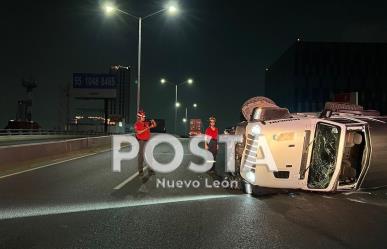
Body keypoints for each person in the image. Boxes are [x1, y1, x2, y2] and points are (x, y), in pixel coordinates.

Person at [134, 110, 156, 176]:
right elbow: (139, 132)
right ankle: (140, 171)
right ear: (139, 117)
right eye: (143, 116)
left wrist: (153, 121)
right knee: (141, 157)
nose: (144, 117)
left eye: (144, 116)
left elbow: (154, 125)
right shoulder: (136, 124)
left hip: (147, 141)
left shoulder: (146, 123)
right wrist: (148, 127)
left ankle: (150, 170)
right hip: (141, 141)